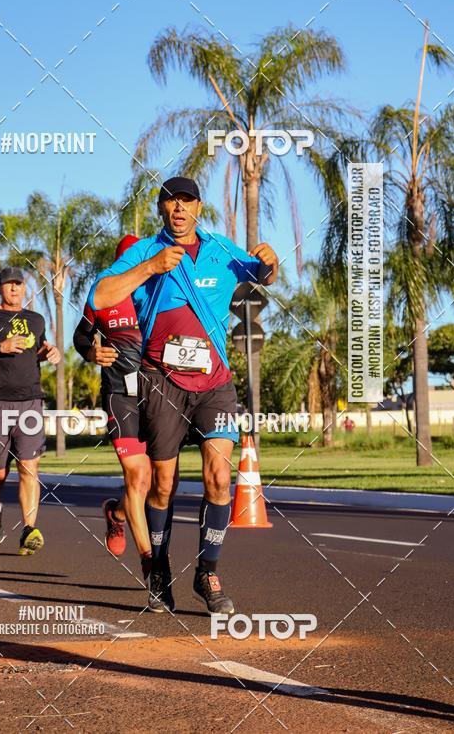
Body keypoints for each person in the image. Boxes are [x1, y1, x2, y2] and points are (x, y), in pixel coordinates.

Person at [89, 176, 278, 614]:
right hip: (162, 382)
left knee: (219, 476)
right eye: (171, 202)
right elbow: (100, 295)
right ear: (161, 209)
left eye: (187, 202)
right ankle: (158, 568)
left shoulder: (220, 249)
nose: (179, 209)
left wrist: (271, 264)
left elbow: (262, 275)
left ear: (198, 208)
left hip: (215, 382)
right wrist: (150, 268)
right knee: (162, 484)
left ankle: (207, 572)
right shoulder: (144, 251)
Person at [0, 267, 60, 555]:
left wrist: (49, 353)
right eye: (9, 284)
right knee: (0, 472)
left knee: (29, 467)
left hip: (30, 403)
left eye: (19, 284)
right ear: (0, 289)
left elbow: (36, 353)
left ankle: (29, 529)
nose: (15, 288)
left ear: (25, 287)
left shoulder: (36, 320)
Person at [73, 234, 153, 574]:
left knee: (154, 482)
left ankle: (116, 513)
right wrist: (91, 352)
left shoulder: (158, 291)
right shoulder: (104, 294)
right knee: (137, 475)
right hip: (120, 393)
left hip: (159, 395)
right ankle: (151, 563)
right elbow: (80, 335)